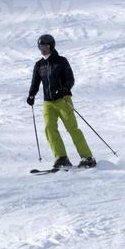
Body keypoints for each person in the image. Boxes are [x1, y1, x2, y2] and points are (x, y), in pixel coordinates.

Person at [26, 34, 97, 169]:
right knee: (49, 129)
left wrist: (65, 89)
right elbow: (35, 83)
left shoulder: (61, 61)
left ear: (51, 46)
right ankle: (61, 157)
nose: (42, 49)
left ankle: (87, 157)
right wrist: (31, 95)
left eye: (45, 46)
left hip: (63, 101)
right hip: (48, 103)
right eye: (40, 46)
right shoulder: (39, 65)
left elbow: (70, 79)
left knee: (72, 129)